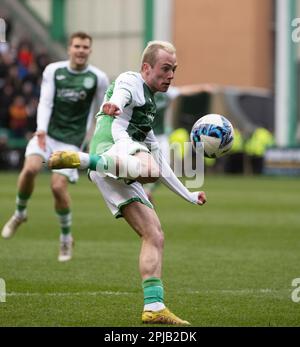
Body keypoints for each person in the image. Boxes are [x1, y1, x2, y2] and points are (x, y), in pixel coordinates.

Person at [47, 41, 207, 324]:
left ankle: (154, 307)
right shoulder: (131, 80)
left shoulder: (149, 109)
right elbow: (120, 94)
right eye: (165, 69)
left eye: (174, 70)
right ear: (146, 68)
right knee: (148, 168)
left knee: (154, 234)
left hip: (121, 165)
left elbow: (162, 167)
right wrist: (114, 105)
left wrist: (189, 195)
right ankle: (84, 160)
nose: (171, 75)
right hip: (111, 149)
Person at [1, 32, 109, 263]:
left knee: (58, 188)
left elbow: (102, 112)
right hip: (47, 135)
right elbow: (46, 100)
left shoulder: (98, 78)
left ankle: (66, 238)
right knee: (30, 169)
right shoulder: (54, 70)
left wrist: (97, 140)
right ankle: (20, 214)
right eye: (77, 46)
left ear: (90, 50)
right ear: (69, 48)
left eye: (85, 47)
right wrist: (41, 129)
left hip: (71, 141)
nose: (81, 50)